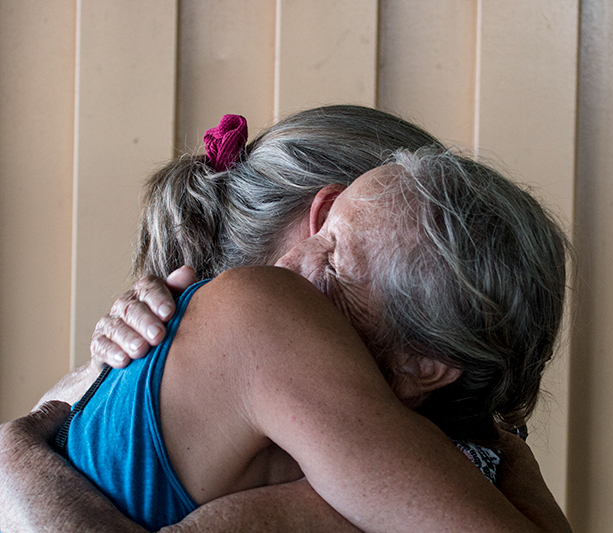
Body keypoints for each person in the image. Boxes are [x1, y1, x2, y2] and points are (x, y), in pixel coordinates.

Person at [0, 110, 572, 532]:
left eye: (336, 257)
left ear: (426, 364)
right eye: (324, 232)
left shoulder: (339, 453)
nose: (293, 269)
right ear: (317, 208)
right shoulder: (261, 311)